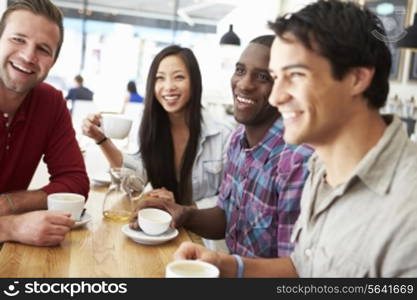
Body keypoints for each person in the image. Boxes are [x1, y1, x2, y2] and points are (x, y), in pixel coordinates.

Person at [173, 0, 417, 277]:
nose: (277, 97)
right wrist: (226, 265)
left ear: (356, 79)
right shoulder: (322, 169)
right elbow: (303, 267)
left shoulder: (408, 209)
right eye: (277, 77)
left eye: (296, 75)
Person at [134, 35, 312, 258]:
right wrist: (182, 214)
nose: (245, 84)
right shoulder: (238, 141)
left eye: (263, 77)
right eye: (240, 71)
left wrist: (222, 265)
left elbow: (296, 270)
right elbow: (227, 216)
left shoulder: (296, 159)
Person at [82, 45, 231, 211]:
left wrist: (183, 209)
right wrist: (101, 139)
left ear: (195, 82)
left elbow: (230, 199)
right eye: (160, 78)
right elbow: (135, 182)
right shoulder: (150, 127)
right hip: (159, 226)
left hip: (202, 235)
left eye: (179, 77)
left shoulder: (223, 136)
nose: (168, 87)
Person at [0, 0, 89, 246]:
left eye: (43, 49)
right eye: (18, 39)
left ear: (53, 61)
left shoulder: (51, 102)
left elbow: (76, 183)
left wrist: (10, 203)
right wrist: (10, 226)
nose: (28, 56)